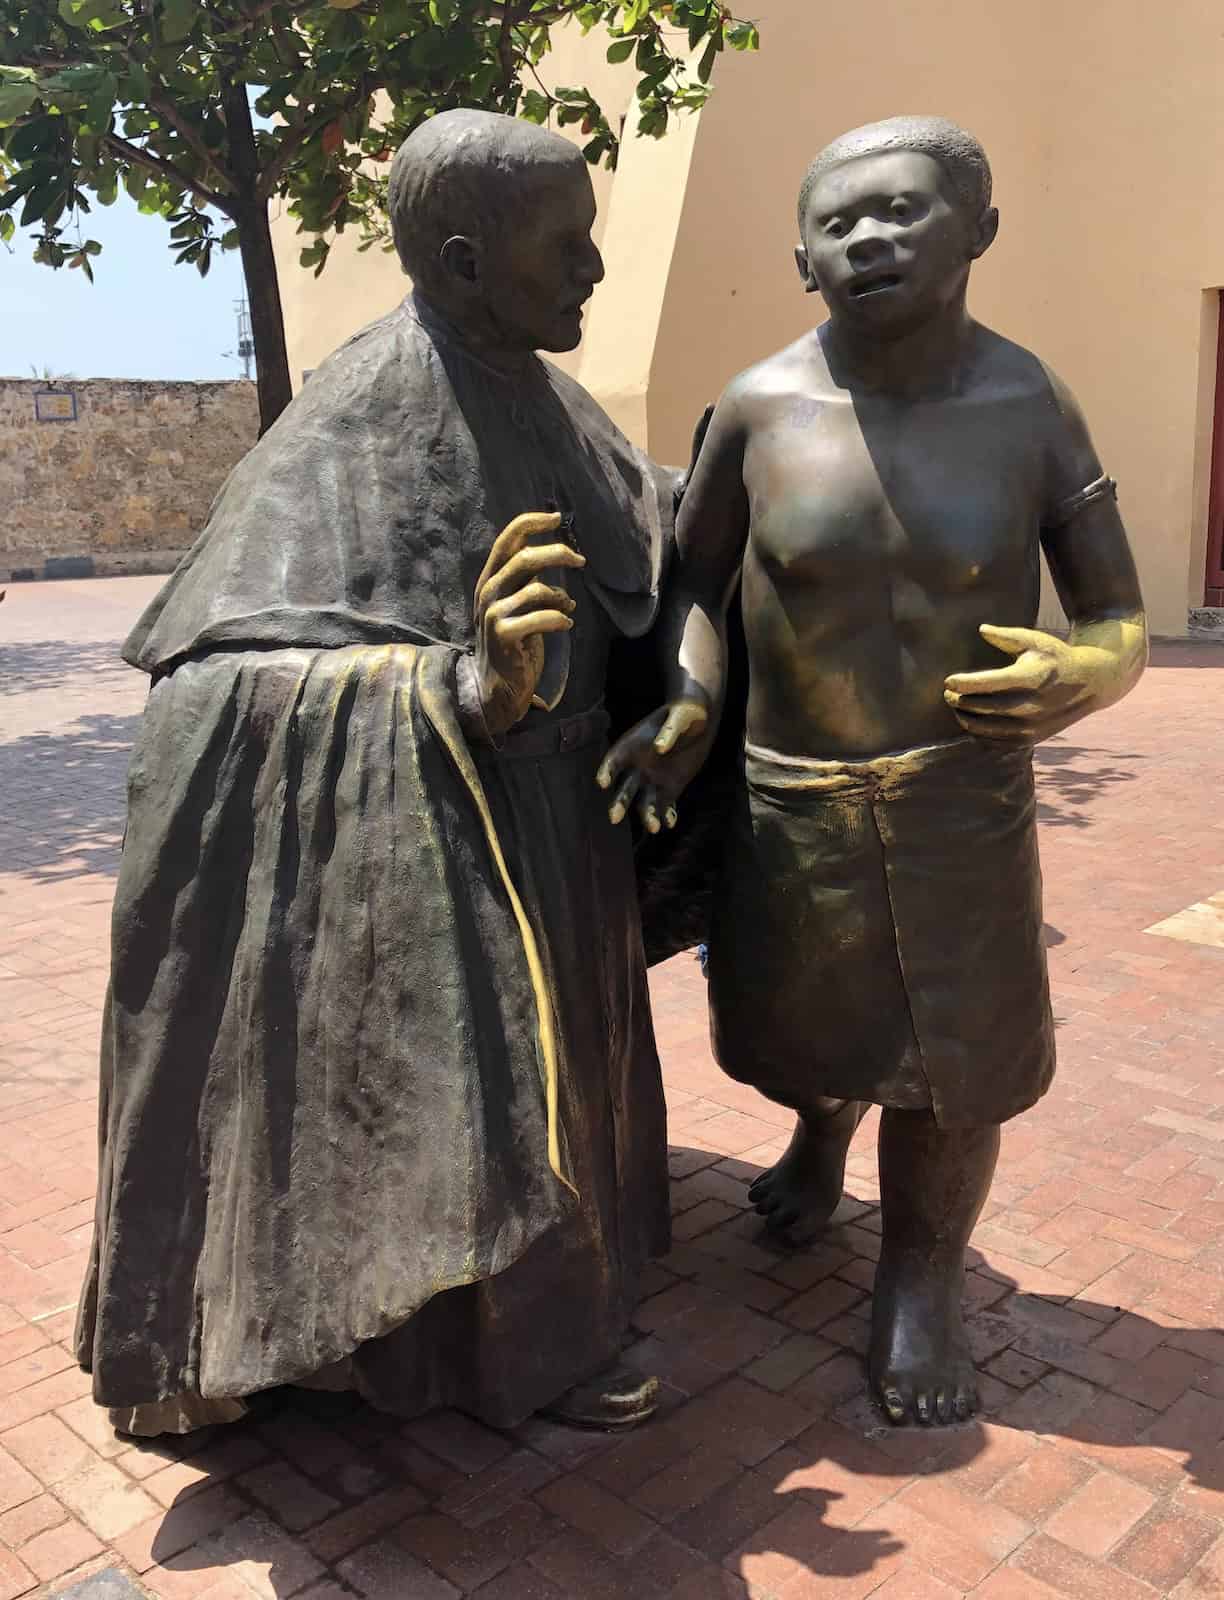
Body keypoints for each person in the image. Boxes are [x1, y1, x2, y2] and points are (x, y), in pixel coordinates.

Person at [75, 110, 677, 1437]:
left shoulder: (543, 382)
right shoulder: (355, 414)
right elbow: (216, 697)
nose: (591, 271)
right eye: (563, 247)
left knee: (570, 1096)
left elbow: (654, 520)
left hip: (562, 823)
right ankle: (461, 1353)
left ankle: (565, 1299)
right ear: (462, 262)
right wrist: (461, 687)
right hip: (451, 828)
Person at [598, 116, 1147, 1426]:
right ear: (800, 257)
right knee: (803, 1036)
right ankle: (818, 1130)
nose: (869, 239)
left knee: (959, 1060)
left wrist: (1091, 673)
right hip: (797, 794)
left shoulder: (1030, 403)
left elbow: (1116, 612)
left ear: (980, 229)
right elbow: (693, 582)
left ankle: (919, 1280)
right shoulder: (757, 407)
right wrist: (686, 700)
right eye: (838, 223)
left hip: (962, 798)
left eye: (900, 210)